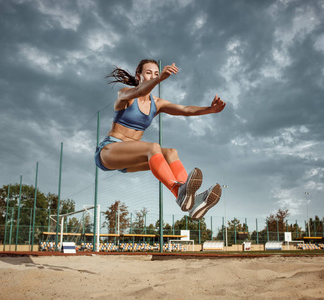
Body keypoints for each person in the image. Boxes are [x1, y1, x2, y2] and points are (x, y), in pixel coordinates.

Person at [95, 59, 226, 220]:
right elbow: (139, 92)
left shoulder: (157, 104)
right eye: (148, 73)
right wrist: (159, 79)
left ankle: (191, 202)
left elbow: (185, 110)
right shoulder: (125, 94)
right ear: (139, 76)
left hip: (131, 160)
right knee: (153, 148)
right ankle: (182, 194)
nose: (153, 76)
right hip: (109, 151)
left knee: (171, 152)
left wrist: (210, 109)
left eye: (156, 73)